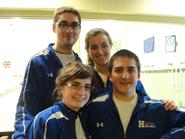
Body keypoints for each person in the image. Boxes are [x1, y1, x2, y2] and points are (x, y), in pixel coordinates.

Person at [13, 6, 81, 138]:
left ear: (79, 29)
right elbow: (26, 107)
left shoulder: (79, 64)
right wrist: (22, 136)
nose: (69, 30)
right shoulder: (38, 62)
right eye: (63, 24)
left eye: (74, 25)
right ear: (54, 27)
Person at [86, 49, 185, 139]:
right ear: (110, 76)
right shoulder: (94, 107)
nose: (125, 76)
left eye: (131, 70)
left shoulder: (157, 109)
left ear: (138, 75)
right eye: (118, 70)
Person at [85, 27, 177, 110]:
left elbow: (145, 102)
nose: (100, 51)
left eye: (104, 45)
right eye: (94, 47)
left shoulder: (130, 75)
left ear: (110, 46)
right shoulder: (84, 76)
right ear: (87, 50)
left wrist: (164, 104)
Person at [25, 62, 93, 139]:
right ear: (61, 87)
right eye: (75, 85)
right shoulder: (47, 121)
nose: (82, 92)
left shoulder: (87, 117)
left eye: (87, 86)